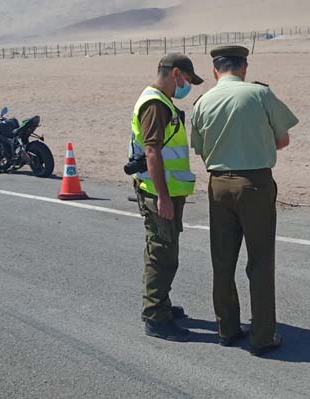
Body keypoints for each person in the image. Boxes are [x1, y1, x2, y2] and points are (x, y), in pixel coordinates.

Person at [191, 45, 299, 356]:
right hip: (255, 183)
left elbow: (200, 148)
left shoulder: (202, 102)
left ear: (215, 70)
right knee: (261, 261)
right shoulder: (260, 95)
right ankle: (262, 335)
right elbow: (283, 139)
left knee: (222, 260)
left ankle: (227, 328)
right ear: (244, 67)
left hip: (219, 185)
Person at [127, 54, 204, 342]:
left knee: (164, 250)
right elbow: (152, 152)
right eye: (187, 80)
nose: (187, 87)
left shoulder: (160, 101)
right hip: (159, 193)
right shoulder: (156, 105)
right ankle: (156, 317)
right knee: (162, 254)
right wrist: (163, 197)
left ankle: (162, 304)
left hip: (165, 190)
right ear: (175, 74)